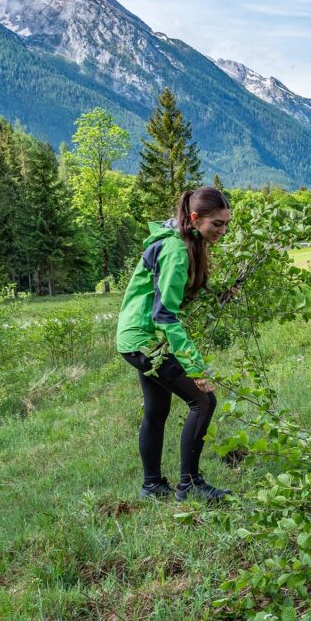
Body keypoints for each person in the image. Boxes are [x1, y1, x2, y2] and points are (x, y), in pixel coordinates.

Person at [116, 187, 233, 502]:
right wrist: (195, 368)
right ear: (194, 219)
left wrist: (217, 296)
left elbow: (176, 296)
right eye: (216, 224)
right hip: (145, 339)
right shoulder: (175, 250)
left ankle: (152, 486)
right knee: (203, 401)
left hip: (137, 337)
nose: (222, 231)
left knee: (157, 409)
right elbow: (165, 316)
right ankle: (190, 484)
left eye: (226, 224)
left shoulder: (185, 242)